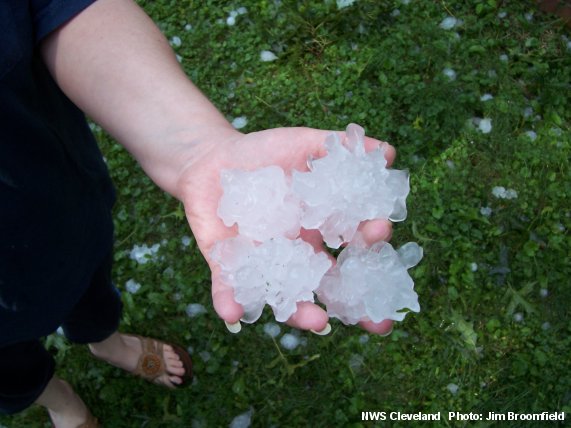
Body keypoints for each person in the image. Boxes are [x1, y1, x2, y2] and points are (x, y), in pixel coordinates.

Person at [1, 0, 396, 426]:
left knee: (87, 282)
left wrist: (198, 149)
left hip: (57, 203)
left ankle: (105, 340)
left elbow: (55, 7)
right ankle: (58, 400)